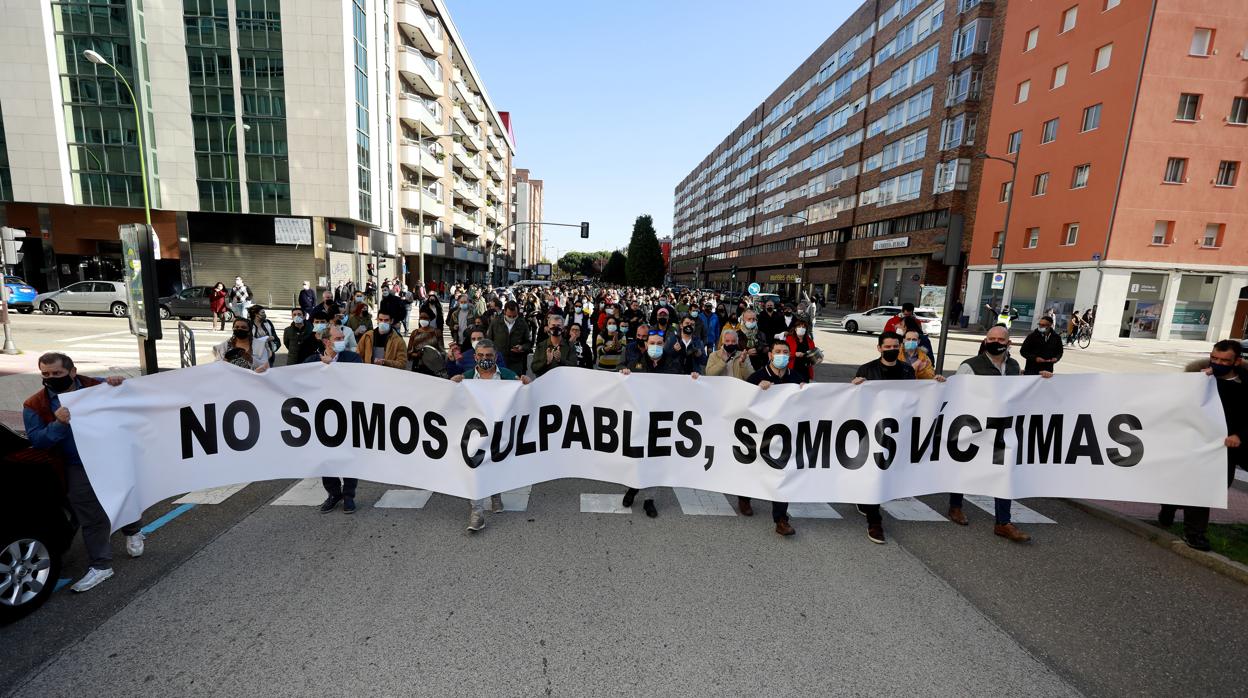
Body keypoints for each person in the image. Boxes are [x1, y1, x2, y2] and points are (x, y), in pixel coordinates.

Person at [22, 353, 139, 593]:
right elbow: (38, 441)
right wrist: (58, 424)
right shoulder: (34, 405)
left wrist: (115, 383)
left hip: (110, 456)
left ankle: (133, 529)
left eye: (57, 373)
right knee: (89, 513)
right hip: (75, 464)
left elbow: (128, 399)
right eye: (45, 374)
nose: (51, 378)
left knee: (122, 496)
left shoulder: (95, 386)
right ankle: (101, 565)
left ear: (72, 372)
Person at [949, 325, 1052, 542]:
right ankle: (955, 506)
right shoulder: (970, 366)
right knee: (964, 467)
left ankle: (1003, 522)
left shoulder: (1013, 366)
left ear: (1008, 343)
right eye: (991, 338)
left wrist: (1041, 380)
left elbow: (1018, 392)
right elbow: (955, 396)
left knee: (1004, 472)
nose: (995, 342)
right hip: (975, 427)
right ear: (985, 341)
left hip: (1003, 428)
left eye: (1000, 339)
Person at [851, 332, 947, 544]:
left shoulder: (906, 370)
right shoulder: (867, 370)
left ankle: (865, 501)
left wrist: (937, 384)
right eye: (887, 346)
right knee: (875, 470)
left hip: (897, 428)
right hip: (873, 428)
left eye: (896, 345)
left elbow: (916, 396)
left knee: (885, 470)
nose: (892, 349)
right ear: (879, 348)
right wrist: (855, 386)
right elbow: (855, 400)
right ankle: (875, 522)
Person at [1158, 340, 1247, 550]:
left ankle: (1171, 503)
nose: (1218, 363)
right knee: (1200, 487)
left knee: (1217, 485)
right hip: (1194, 442)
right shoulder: (1197, 377)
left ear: (1237, 361)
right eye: (1214, 358)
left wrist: (1239, 435)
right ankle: (1194, 533)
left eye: (1225, 360)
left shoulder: (1245, 385)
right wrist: (1198, 383)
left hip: (1225, 447)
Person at [451, 339, 531, 531]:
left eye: (489, 356)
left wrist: (526, 383)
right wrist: (453, 383)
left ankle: (495, 495)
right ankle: (477, 512)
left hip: (499, 431)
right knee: (475, 468)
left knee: (496, 464)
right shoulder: (467, 378)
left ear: (495, 357)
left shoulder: (507, 376)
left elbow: (526, 396)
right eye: (481, 356)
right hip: (475, 434)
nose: (485, 359)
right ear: (475, 357)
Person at [619, 331, 698, 517]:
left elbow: (684, 383)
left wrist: (693, 378)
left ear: (664, 345)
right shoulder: (636, 364)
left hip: (662, 420)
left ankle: (649, 500)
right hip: (640, 419)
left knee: (655, 460)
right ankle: (633, 488)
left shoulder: (673, 364)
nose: (655, 345)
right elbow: (622, 382)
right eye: (652, 342)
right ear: (646, 344)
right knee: (637, 457)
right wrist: (624, 372)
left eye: (659, 343)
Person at [742, 339, 805, 536]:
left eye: (785, 352)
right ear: (770, 355)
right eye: (777, 351)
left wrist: (806, 391)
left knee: (781, 473)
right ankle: (743, 496)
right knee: (751, 467)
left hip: (784, 434)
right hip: (759, 433)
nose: (781, 355)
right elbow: (742, 404)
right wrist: (756, 390)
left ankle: (781, 519)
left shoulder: (796, 377)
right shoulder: (757, 377)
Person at [302, 325, 363, 513]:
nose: (341, 341)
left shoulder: (352, 358)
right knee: (325, 458)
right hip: (322, 418)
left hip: (347, 416)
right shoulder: (313, 361)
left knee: (348, 457)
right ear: (326, 341)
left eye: (342, 337)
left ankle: (348, 496)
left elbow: (359, 380)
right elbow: (297, 381)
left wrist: (333, 368)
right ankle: (333, 493)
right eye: (337, 338)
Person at [488, 301, 532, 375]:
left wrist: (522, 347)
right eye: (509, 316)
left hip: (516, 363)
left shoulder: (523, 324)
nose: (512, 318)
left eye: (514, 316)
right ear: (504, 312)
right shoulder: (495, 323)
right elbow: (489, 341)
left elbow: (528, 343)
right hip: (498, 362)